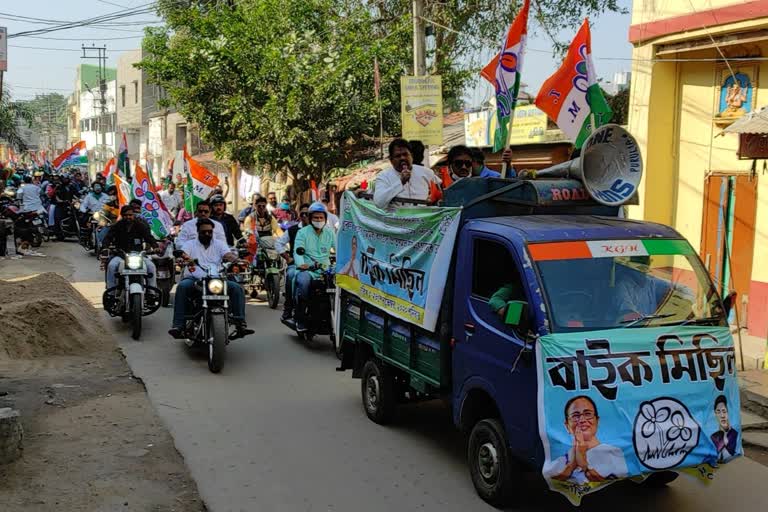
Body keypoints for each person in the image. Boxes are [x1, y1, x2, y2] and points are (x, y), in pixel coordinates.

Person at [169, 218, 253, 339]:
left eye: (209, 231)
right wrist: (183, 259)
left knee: (237, 288)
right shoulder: (190, 244)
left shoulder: (219, 244)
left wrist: (236, 260)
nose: (207, 234)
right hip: (194, 279)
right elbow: (183, 254)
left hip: (216, 279)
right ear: (198, 231)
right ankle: (178, 325)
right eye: (204, 232)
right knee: (182, 287)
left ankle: (240, 324)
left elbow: (227, 254)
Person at [543, 396, 628, 484]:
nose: (582, 420)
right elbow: (547, 486)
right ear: (567, 425)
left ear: (597, 420)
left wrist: (584, 465)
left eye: (588, 414)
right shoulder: (559, 462)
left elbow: (616, 486)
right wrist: (571, 466)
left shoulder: (613, 452)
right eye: (575, 416)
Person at [292, 202, 336, 332]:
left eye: (321, 218)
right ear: (310, 219)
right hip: (308, 270)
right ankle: (300, 318)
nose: (318, 220)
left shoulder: (330, 233)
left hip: (326, 270)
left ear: (325, 219)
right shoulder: (302, 233)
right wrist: (301, 264)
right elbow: (298, 250)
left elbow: (339, 249)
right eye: (315, 218)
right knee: (303, 283)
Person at [102, 205, 158, 290]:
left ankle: (151, 292)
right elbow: (108, 238)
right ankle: (111, 292)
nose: (128, 217)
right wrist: (105, 247)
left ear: (133, 215)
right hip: (121, 255)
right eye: (126, 215)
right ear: (122, 215)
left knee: (151, 267)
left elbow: (149, 237)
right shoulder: (117, 226)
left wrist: (155, 246)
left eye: (130, 215)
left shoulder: (140, 225)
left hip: (138, 255)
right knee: (111, 266)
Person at [373, 138, 440, 209]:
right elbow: (379, 203)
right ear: (391, 160)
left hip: (423, 217)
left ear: (411, 156)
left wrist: (435, 199)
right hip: (396, 218)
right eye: (398, 156)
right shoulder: (383, 176)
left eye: (405, 154)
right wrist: (401, 182)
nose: (402, 158)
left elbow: (440, 190)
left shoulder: (426, 172)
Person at [276, 203, 310, 322]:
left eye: (308, 213)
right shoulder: (293, 230)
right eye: (303, 214)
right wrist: (288, 258)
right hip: (296, 264)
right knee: (290, 276)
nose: (305, 216)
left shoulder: (320, 230)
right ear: (299, 215)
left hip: (314, 265)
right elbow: (278, 243)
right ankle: (288, 307)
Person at [711, 395, 739, 463]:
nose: (722, 416)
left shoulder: (734, 434)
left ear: (728, 412)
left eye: (724, 411)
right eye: (718, 412)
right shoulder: (714, 436)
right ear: (715, 414)